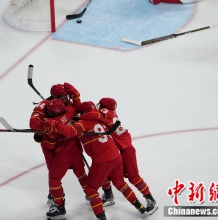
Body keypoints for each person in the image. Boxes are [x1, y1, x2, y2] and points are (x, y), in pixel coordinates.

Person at [44, 101, 147, 220]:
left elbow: (70, 132)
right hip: (116, 157)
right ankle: (140, 207)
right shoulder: (101, 118)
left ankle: (101, 217)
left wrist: (55, 124)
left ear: (82, 113)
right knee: (120, 184)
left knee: (91, 190)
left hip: (102, 161)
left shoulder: (82, 124)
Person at [29, 83, 88, 220]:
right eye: (62, 97)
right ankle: (57, 195)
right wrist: (46, 125)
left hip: (67, 147)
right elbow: (33, 123)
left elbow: (74, 111)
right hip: (49, 147)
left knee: (61, 177)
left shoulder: (68, 107)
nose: (66, 99)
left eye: (67, 96)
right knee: (53, 173)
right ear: (54, 96)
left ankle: (61, 204)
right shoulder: (44, 105)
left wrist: (50, 123)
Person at [96, 97, 158, 215]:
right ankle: (108, 194)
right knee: (103, 173)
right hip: (114, 152)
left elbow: (96, 114)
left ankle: (150, 199)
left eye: (101, 106)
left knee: (133, 177)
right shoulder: (110, 113)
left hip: (126, 151)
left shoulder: (106, 112)